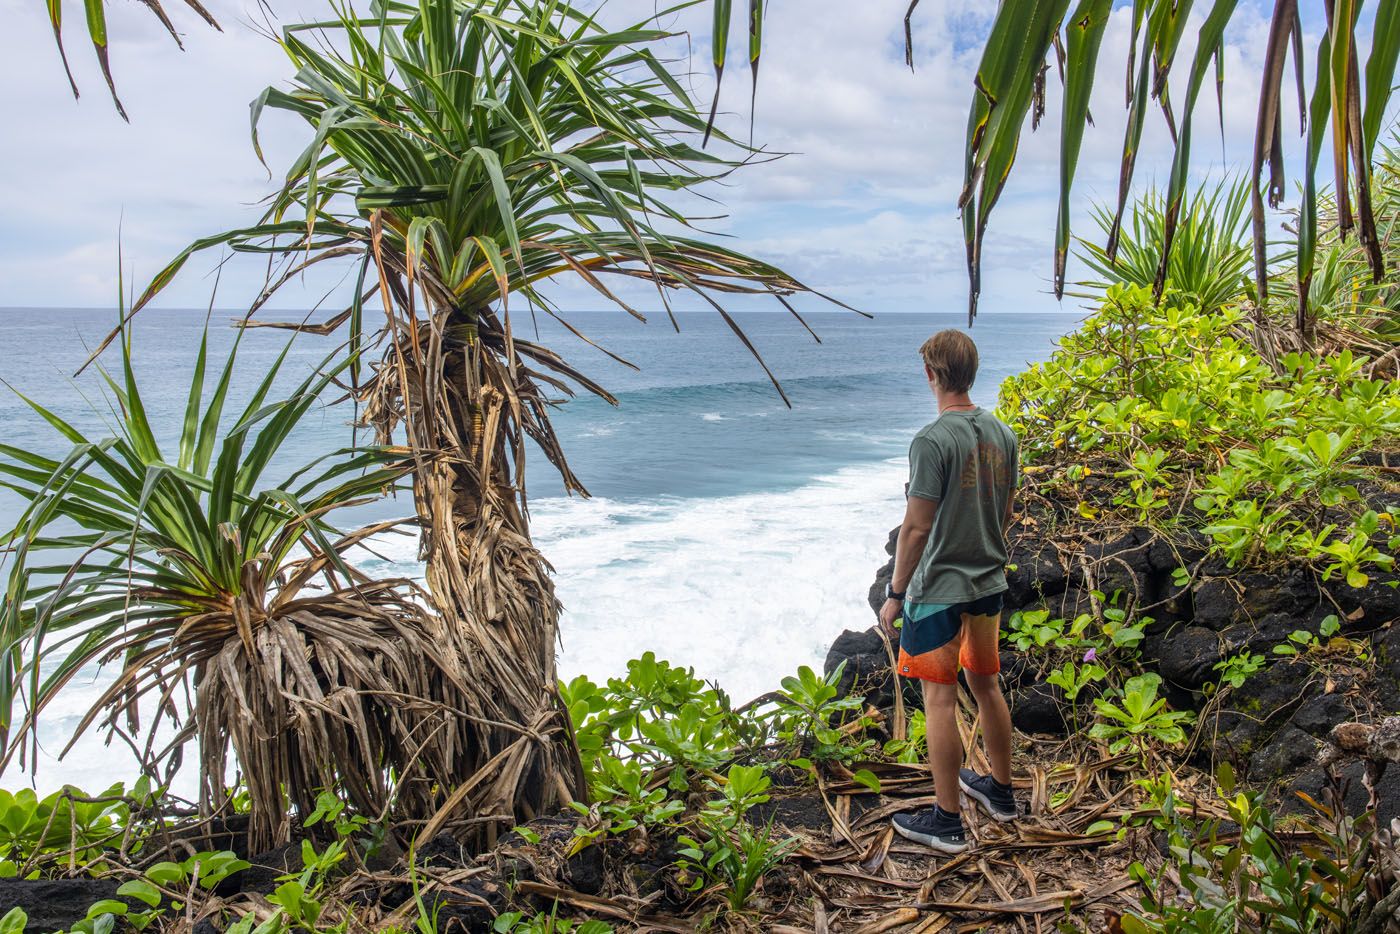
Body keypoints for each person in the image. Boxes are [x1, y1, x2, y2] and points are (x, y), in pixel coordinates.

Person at [878, 329, 1020, 854]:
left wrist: (896, 592)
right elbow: (1005, 512)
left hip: (938, 589)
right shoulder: (1002, 434)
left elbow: (915, 528)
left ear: (931, 375)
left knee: (939, 701)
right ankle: (1001, 793)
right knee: (986, 686)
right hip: (988, 582)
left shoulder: (932, 440)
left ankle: (946, 821)